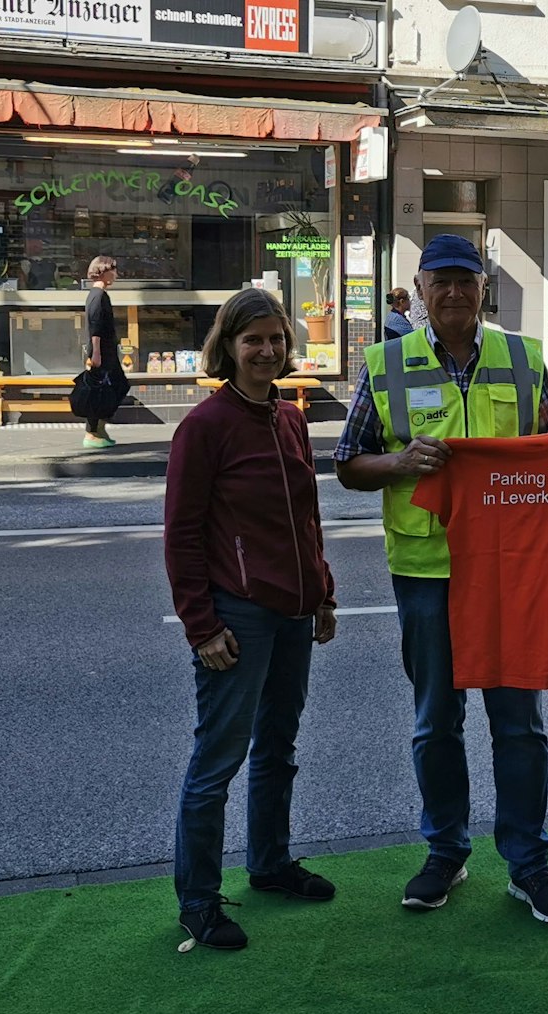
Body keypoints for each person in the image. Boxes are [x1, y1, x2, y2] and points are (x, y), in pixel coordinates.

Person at [332, 233, 548, 925]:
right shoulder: (385, 364)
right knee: (435, 722)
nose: (451, 293)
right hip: (425, 570)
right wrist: (399, 463)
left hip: (509, 574)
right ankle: (446, 849)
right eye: (438, 281)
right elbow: (349, 461)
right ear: (419, 290)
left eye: (463, 281)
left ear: (482, 291)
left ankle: (528, 862)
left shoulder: (524, 359)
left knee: (520, 723)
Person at [163, 287, 340, 952]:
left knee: (278, 749)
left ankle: (269, 863)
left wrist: (322, 592)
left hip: (294, 612)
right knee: (218, 760)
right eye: (253, 340)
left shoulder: (289, 418)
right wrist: (201, 625)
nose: (266, 351)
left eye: (275, 339)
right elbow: (181, 535)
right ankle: (198, 902)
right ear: (229, 347)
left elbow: (306, 518)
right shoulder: (205, 427)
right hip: (239, 615)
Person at [81, 256, 130, 449]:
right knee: (103, 390)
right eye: (113, 270)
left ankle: (99, 429)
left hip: (106, 351)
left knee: (111, 388)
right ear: (103, 271)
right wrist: (97, 354)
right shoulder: (97, 296)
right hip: (102, 353)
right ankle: (92, 432)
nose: (116, 275)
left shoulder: (99, 295)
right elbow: (95, 326)